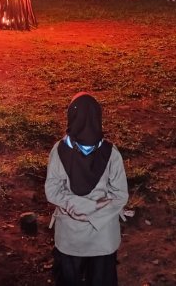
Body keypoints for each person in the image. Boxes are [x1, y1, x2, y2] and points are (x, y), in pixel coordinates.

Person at [45, 93, 129, 286]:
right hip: (103, 235)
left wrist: (79, 209)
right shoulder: (111, 153)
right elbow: (120, 195)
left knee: (68, 280)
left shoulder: (58, 151)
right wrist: (95, 207)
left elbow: (53, 191)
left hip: (70, 233)